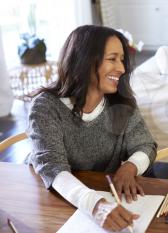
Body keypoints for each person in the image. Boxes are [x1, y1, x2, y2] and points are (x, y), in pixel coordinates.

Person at [27, 25, 157, 231]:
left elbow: (146, 145)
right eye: (112, 59)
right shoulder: (46, 106)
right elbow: (53, 167)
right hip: (54, 195)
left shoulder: (121, 104)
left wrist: (129, 167)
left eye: (122, 59)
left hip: (101, 193)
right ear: (85, 60)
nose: (122, 68)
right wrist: (95, 206)